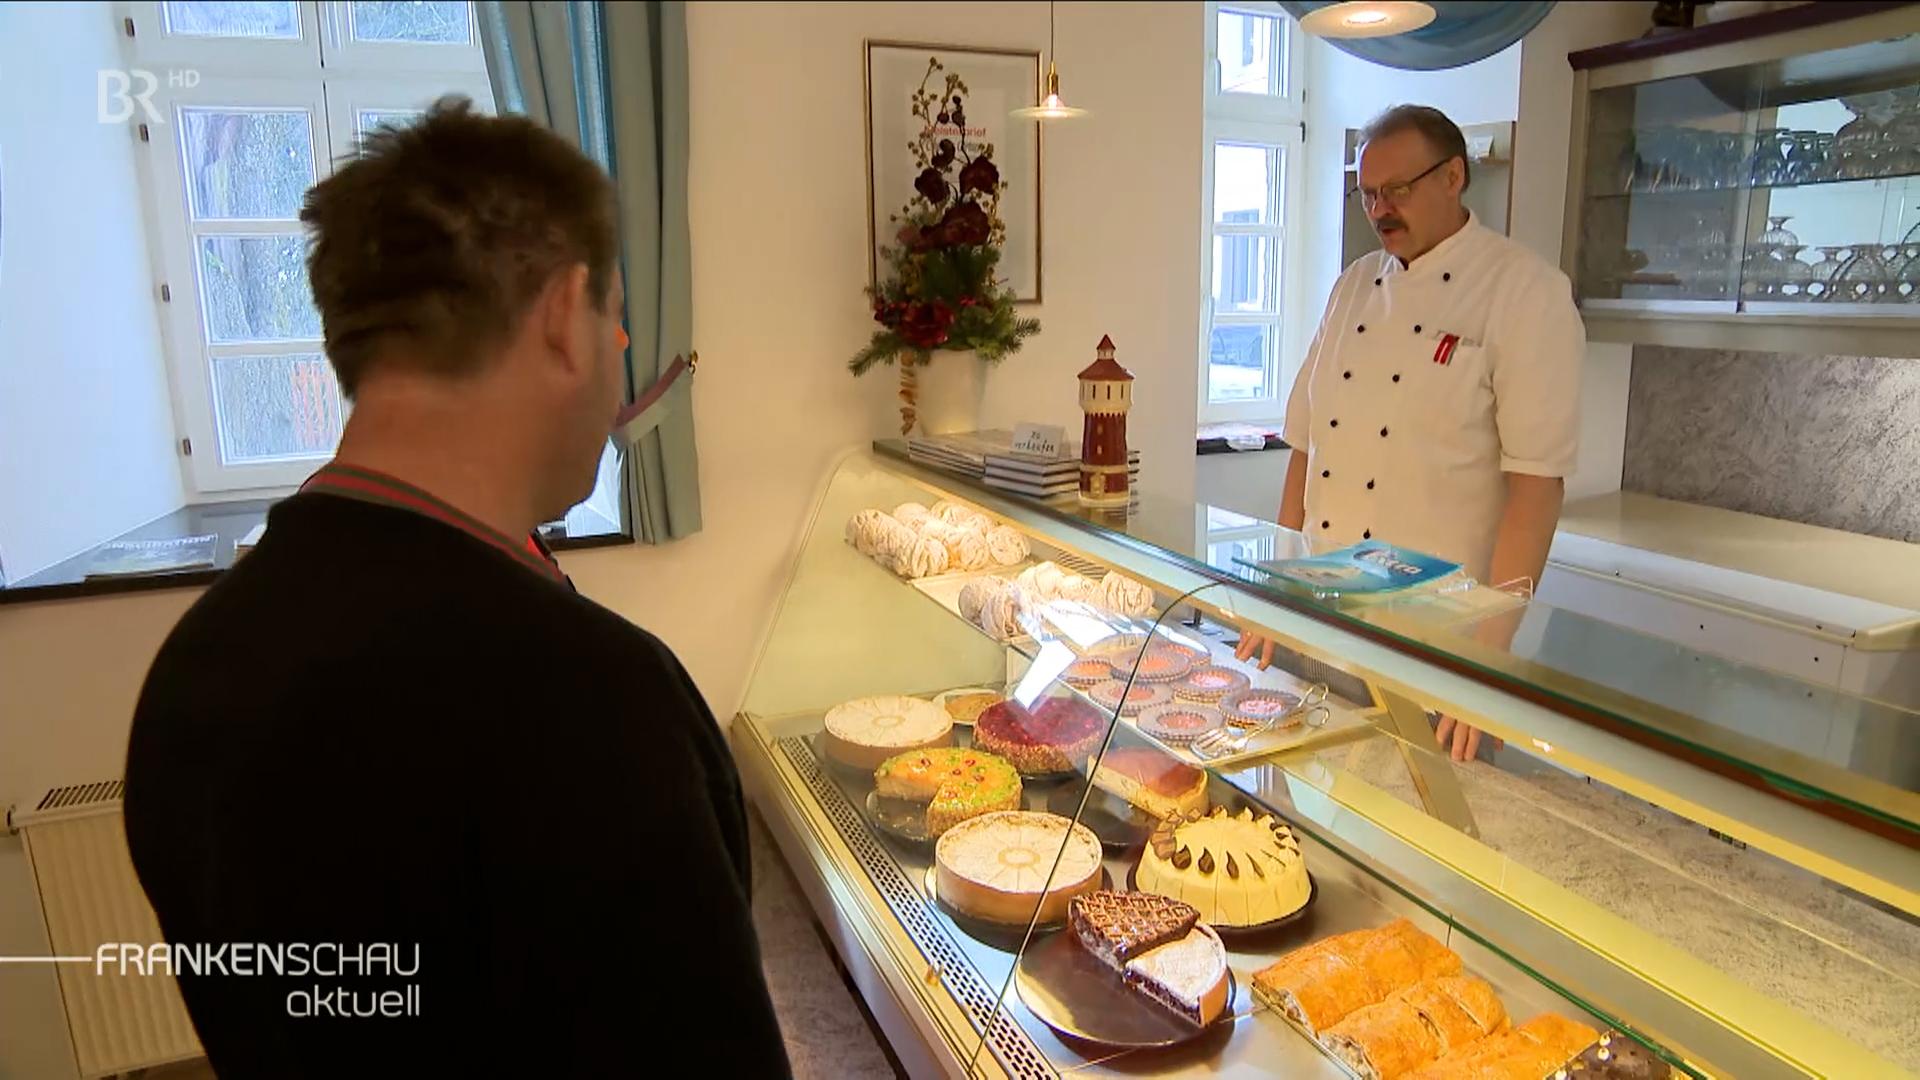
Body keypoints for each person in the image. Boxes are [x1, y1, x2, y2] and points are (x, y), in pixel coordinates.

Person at [123, 99, 790, 1076]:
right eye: (616, 318)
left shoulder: (194, 664)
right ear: (566, 315)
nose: (620, 355)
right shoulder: (594, 706)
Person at [1235, 104, 1584, 762]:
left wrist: (1487, 665)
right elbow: (1306, 450)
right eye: (1369, 194)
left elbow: (1536, 491)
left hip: (1438, 654)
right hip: (1320, 628)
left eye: (1398, 190)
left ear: (1453, 176)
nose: (1380, 209)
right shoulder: (1353, 286)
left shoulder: (1525, 293)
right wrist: (1276, 596)